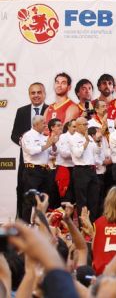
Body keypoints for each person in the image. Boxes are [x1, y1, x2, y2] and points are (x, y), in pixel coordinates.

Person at [11, 82, 48, 219]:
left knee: (45, 196)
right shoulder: (22, 111)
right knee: (25, 195)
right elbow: (14, 135)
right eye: (33, 93)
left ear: (44, 94)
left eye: (39, 92)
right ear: (29, 95)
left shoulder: (50, 110)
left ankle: (46, 227)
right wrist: (27, 143)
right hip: (27, 163)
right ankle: (23, 225)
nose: (36, 95)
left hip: (47, 164)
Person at [20, 115, 58, 221]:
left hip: (44, 171)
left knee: (43, 200)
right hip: (32, 171)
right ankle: (26, 225)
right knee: (29, 200)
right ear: (36, 124)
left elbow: (53, 153)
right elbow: (32, 151)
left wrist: (53, 145)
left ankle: (40, 224)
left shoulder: (44, 137)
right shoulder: (28, 135)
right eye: (43, 123)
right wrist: (47, 145)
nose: (46, 125)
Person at [69, 116, 102, 221]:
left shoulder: (88, 137)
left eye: (87, 124)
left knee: (94, 199)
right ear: (78, 126)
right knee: (82, 201)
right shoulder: (73, 138)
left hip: (92, 170)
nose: (87, 126)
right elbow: (78, 154)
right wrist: (87, 142)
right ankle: (83, 227)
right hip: (81, 170)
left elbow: (96, 152)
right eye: (85, 125)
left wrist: (97, 141)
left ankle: (92, 225)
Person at [55, 120, 76, 203]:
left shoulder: (79, 137)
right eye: (74, 126)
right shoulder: (63, 137)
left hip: (75, 168)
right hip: (65, 168)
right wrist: (77, 153)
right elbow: (64, 153)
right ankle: (65, 215)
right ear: (68, 127)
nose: (76, 129)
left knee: (74, 196)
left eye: (77, 126)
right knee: (66, 195)